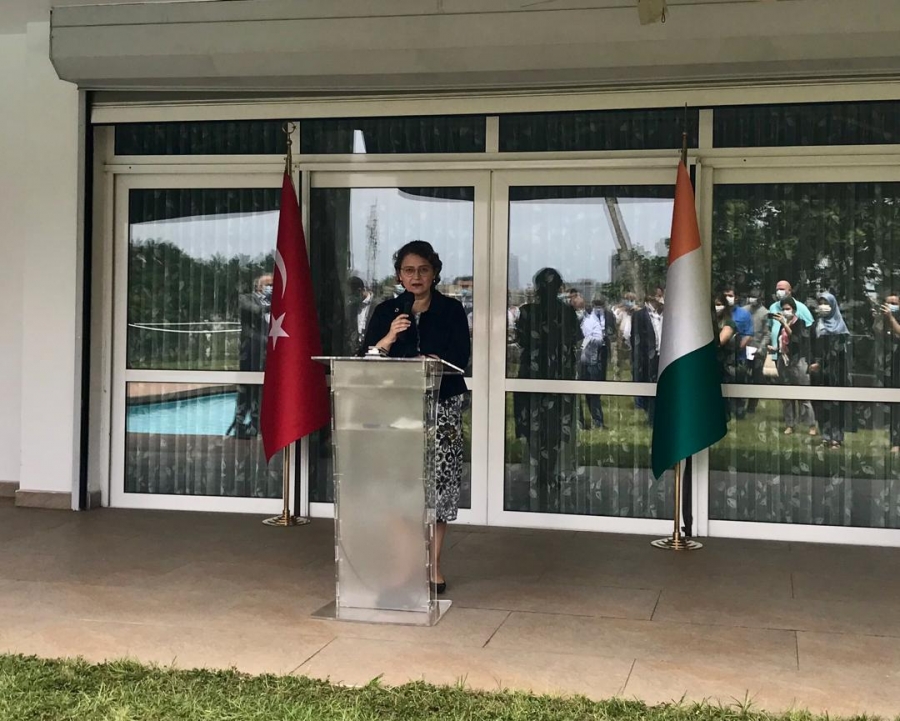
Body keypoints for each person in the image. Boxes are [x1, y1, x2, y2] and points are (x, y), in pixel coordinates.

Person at [360, 240, 470, 595]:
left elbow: (461, 358)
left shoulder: (451, 310)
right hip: (397, 409)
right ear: (399, 276)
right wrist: (390, 335)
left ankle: (433, 566)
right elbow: (367, 359)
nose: (416, 276)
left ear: (435, 272)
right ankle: (403, 567)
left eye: (423, 269)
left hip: (442, 407)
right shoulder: (386, 310)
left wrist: (434, 361)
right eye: (409, 270)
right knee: (398, 490)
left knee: (438, 489)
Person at [514, 268, 582, 512]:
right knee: (550, 429)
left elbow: (521, 340)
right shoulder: (565, 312)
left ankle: (543, 474)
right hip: (553, 377)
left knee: (539, 428)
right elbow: (575, 340)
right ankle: (546, 473)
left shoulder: (528, 312)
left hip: (540, 377)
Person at [228, 273, 272, 438]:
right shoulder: (246, 299)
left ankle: (257, 425)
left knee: (262, 391)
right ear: (259, 286)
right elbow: (256, 310)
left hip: (267, 353)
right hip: (251, 353)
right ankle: (240, 425)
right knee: (247, 390)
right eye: (269, 285)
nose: (271, 288)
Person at [769, 296, 817, 436]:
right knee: (787, 396)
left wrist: (785, 324)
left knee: (803, 396)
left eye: (788, 309)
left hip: (798, 362)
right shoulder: (782, 325)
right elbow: (783, 342)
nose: (785, 311)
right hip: (784, 361)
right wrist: (775, 349)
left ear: (794, 310)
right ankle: (790, 424)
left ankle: (811, 425)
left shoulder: (800, 323)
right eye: (783, 309)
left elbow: (797, 340)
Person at [809, 291, 850, 448]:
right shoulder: (816, 325)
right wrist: (813, 363)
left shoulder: (841, 326)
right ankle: (825, 436)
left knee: (836, 405)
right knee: (821, 404)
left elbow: (840, 351)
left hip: (837, 371)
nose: (823, 306)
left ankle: (837, 438)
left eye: (826, 303)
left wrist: (823, 362)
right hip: (820, 373)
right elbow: (811, 346)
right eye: (820, 303)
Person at [579, 295, 617, 428]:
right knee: (587, 389)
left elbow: (612, 332)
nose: (598, 306)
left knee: (596, 388)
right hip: (586, 356)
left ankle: (597, 420)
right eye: (596, 304)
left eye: (600, 304)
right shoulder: (586, 317)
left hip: (601, 353)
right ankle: (587, 421)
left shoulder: (609, 315)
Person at [631, 291, 663, 423]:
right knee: (651, 387)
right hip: (649, 357)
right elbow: (635, 338)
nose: (661, 298)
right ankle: (652, 418)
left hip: (664, 355)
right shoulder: (639, 315)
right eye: (658, 295)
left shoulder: (666, 313)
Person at [723, 286, 754, 418]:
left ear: (735, 298)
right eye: (725, 295)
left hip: (739, 357)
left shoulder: (744, 314)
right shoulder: (719, 313)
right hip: (722, 357)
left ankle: (740, 411)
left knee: (739, 383)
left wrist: (737, 348)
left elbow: (749, 334)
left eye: (730, 295)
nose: (727, 298)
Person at [876, 294, 900, 452]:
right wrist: (880, 318)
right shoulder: (883, 320)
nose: (891, 305)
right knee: (893, 409)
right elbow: (876, 332)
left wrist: (891, 318)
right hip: (887, 368)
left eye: (894, 303)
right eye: (888, 303)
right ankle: (894, 440)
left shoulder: (894, 319)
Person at [742, 287, 770, 413]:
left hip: (757, 349)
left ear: (760, 299)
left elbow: (767, 333)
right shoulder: (744, 310)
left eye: (755, 297)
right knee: (742, 376)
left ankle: (751, 406)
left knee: (756, 378)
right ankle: (740, 403)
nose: (752, 299)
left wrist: (761, 348)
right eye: (751, 296)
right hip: (743, 348)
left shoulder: (765, 313)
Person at [714, 293, 740, 422]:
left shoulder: (729, 323)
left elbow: (719, 342)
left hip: (724, 364)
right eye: (714, 305)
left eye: (719, 304)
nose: (716, 307)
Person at [768, 280, 814, 351]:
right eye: (777, 290)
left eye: (782, 289)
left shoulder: (801, 308)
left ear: (790, 291)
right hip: (778, 352)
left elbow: (808, 333)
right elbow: (770, 328)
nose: (779, 292)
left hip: (796, 353)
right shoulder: (773, 307)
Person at [345, 275, 374, 356]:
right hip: (355, 351)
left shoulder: (377, 306)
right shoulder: (351, 307)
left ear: (360, 290)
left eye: (352, 294)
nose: (350, 298)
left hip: (372, 350)